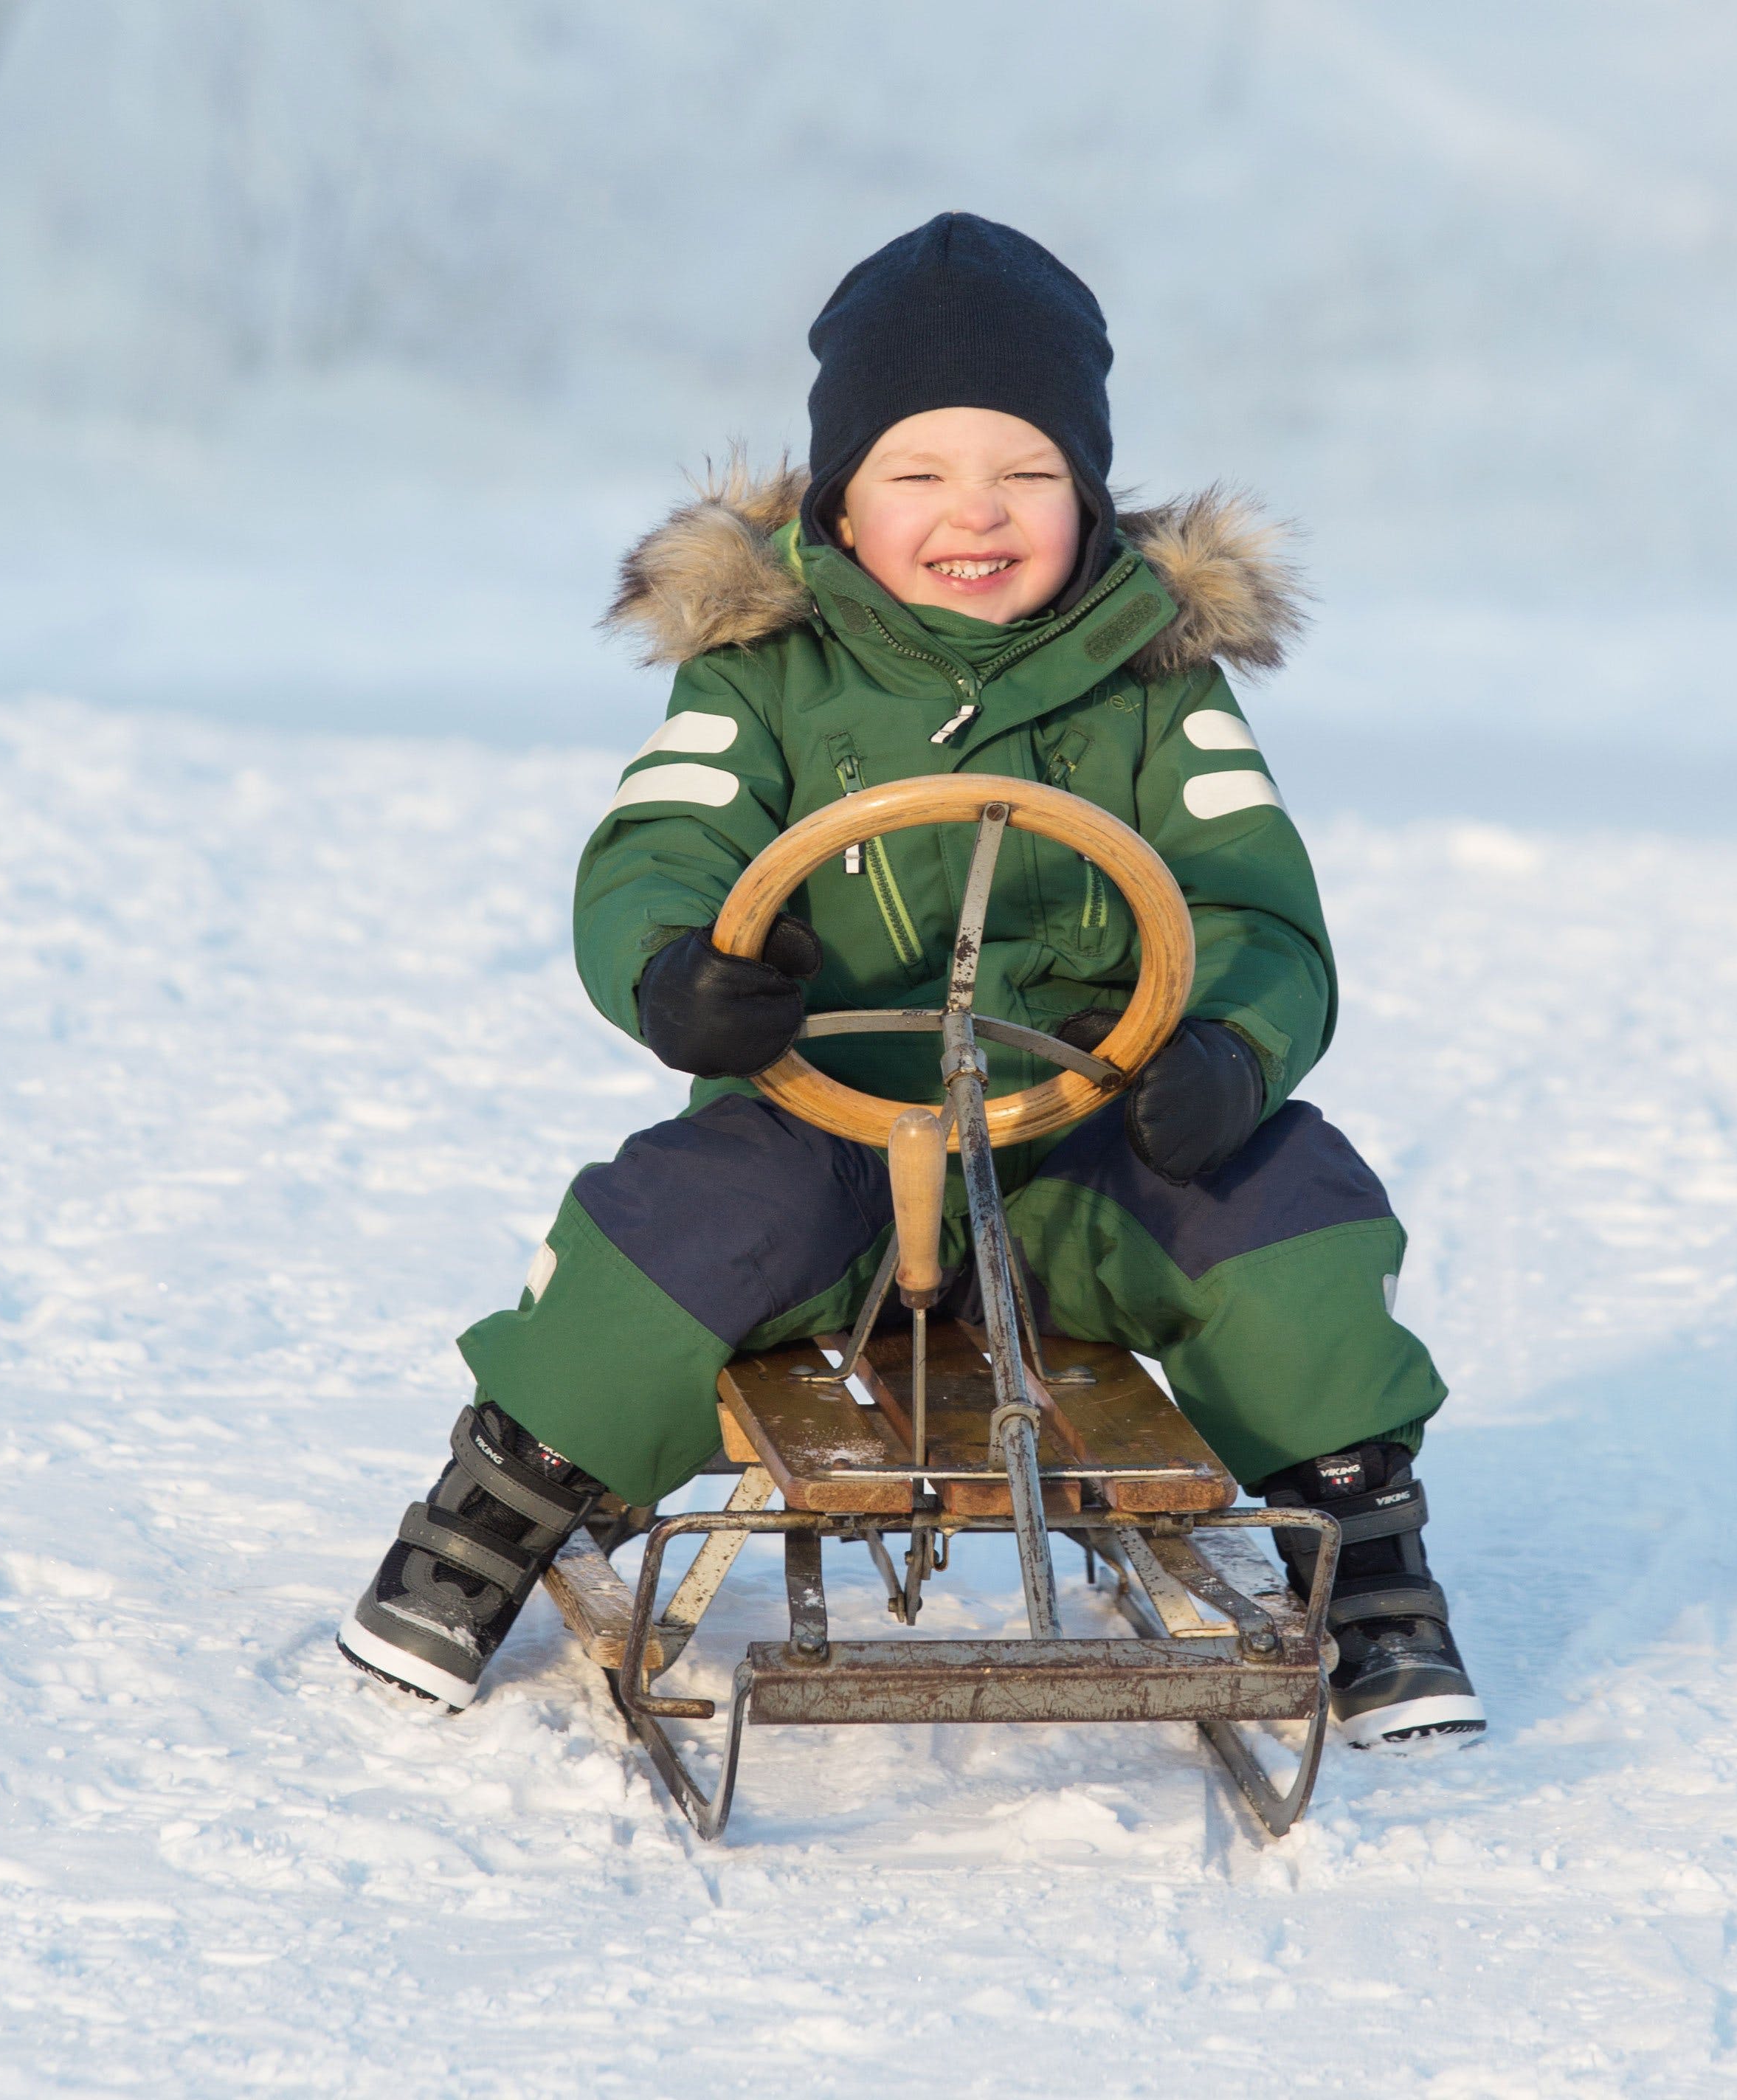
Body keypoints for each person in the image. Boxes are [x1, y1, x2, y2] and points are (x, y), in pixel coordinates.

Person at [338, 213, 1482, 1750]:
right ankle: (511, 1488)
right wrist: (682, 972)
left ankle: (1364, 1543)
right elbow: (662, 841)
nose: (977, 515)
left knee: (1296, 1215)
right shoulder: (763, 665)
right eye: (919, 474)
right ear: (840, 498)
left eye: (1027, 475)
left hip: (1095, 1123)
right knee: (670, 1232)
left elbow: (1260, 905)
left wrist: (1223, 1048)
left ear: (1087, 493)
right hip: (832, 1111)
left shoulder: (1160, 681)